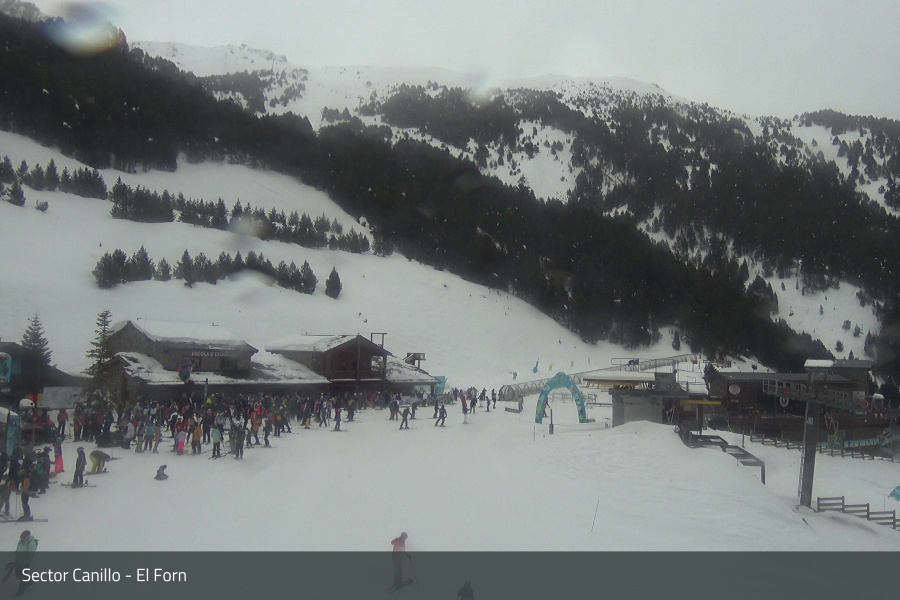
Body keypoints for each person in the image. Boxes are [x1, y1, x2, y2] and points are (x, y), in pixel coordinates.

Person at [2, 530, 38, 596]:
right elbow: (19, 548)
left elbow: (31, 555)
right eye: (21, 537)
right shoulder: (21, 541)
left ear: (27, 537)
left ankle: (20, 591)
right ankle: (30, 581)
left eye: (23, 538)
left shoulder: (31, 543)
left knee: (22, 577)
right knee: (18, 575)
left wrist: (25, 563)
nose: (21, 539)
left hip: (25, 563)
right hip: (18, 561)